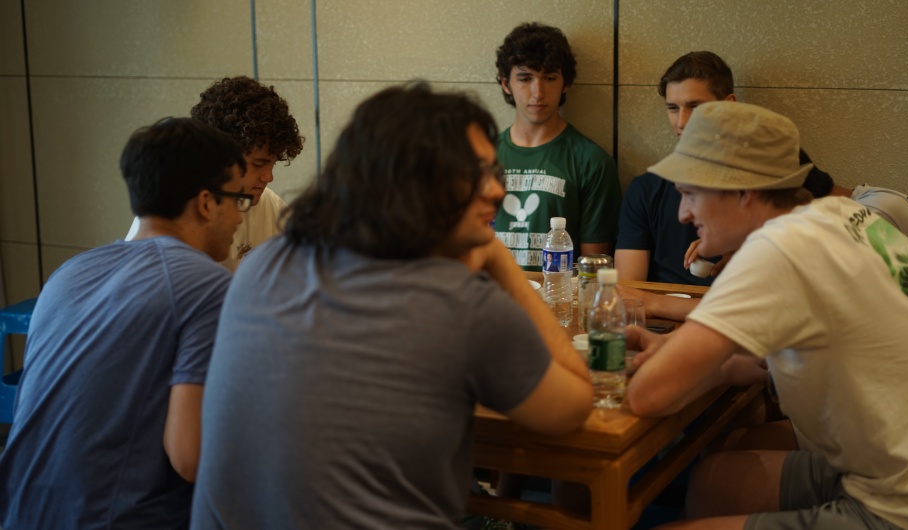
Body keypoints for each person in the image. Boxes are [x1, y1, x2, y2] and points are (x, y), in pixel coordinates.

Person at [189, 83, 594, 528]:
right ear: (415, 185)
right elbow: (574, 407)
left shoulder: (264, 262)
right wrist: (498, 258)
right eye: (478, 174)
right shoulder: (461, 303)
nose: (497, 190)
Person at [625, 101, 908, 529]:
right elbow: (769, 361)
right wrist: (680, 352)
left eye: (690, 193)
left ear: (742, 192)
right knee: (711, 482)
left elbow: (647, 395)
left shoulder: (778, 248)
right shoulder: (842, 213)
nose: (683, 213)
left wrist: (666, 364)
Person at [0, 117, 247, 529]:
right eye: (239, 200)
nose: (241, 218)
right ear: (206, 203)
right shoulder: (209, 286)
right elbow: (191, 457)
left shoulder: (69, 272)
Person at [615, 51, 830, 285]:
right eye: (673, 108)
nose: (682, 122)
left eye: (695, 107)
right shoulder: (646, 188)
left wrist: (750, 242)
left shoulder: (771, 166)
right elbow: (627, 290)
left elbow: (851, 205)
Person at [126, 75, 305, 271]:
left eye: (272, 164)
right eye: (258, 164)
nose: (268, 177)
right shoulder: (169, 217)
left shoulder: (272, 206)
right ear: (220, 157)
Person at [492, 22, 621, 271]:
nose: (538, 92)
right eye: (525, 78)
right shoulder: (480, 156)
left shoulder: (592, 162)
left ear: (566, 83)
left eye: (549, 78)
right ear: (506, 84)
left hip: (556, 293)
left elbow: (592, 270)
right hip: (486, 291)